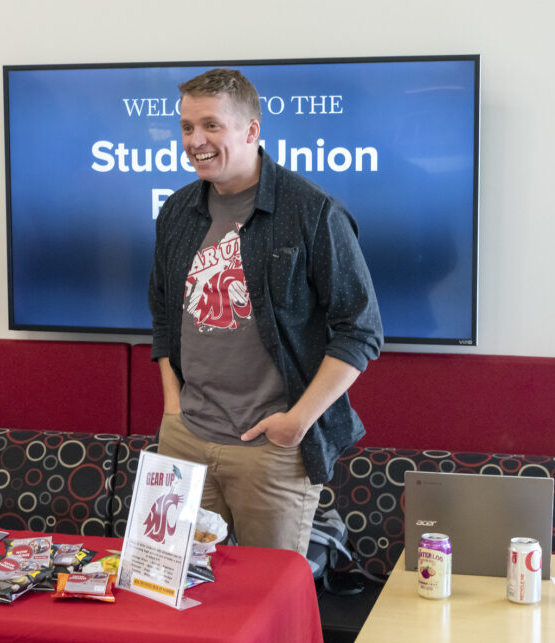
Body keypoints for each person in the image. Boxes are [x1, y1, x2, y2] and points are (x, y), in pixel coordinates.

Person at [148, 68, 383, 556]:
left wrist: (296, 423)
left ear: (251, 131)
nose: (195, 141)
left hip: (271, 450)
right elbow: (165, 316)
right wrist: (173, 408)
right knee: (178, 600)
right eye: (187, 127)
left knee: (268, 603)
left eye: (211, 125)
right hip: (185, 440)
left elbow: (360, 331)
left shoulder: (312, 212)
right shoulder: (177, 210)